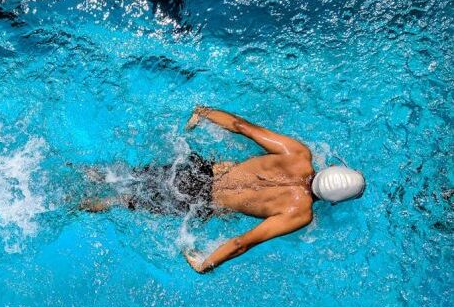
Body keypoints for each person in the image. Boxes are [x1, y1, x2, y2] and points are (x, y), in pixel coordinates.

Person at [80, 106, 365, 273]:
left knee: (120, 176)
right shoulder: (300, 213)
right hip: (200, 202)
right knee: (122, 201)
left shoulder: (298, 154)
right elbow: (243, 242)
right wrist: (206, 264)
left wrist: (204, 113)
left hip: (196, 170)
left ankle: (79, 170)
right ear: (334, 201)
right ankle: (73, 204)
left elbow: (242, 126)